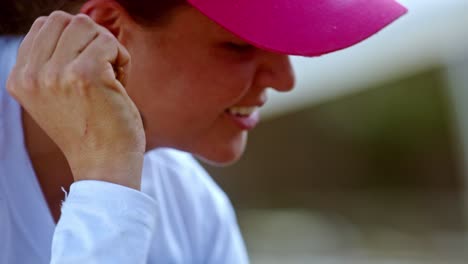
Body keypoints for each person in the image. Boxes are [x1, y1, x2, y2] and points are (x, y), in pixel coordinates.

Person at [0, 0, 407, 263]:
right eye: (239, 47)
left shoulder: (194, 208)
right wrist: (107, 183)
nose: (285, 79)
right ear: (106, 29)